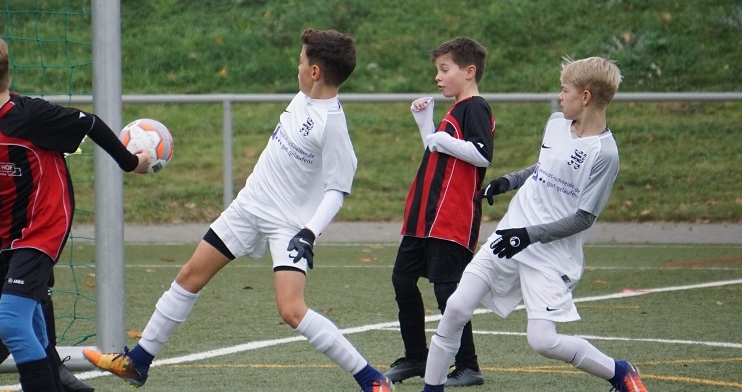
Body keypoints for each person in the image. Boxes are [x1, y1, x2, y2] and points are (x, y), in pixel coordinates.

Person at [83, 28, 393, 391]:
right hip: (248, 207)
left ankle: (372, 380)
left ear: (315, 72)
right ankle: (137, 362)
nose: (296, 66)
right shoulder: (303, 98)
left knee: (291, 310)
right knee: (189, 276)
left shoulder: (332, 125)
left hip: (288, 226)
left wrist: (309, 232)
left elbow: (337, 191)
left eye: (301, 61)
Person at [419, 56, 649, 392]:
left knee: (543, 340)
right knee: (456, 307)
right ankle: (432, 388)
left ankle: (620, 372)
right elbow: (543, 168)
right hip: (511, 233)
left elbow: (584, 218)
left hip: (550, 254)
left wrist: (527, 236)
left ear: (585, 97)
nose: (559, 96)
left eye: (565, 90)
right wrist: (508, 181)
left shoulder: (604, 154)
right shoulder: (556, 123)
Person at [0, 30, 149, 392]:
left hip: (41, 230)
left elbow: (90, 123)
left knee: (12, 324)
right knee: (32, 321)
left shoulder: (30, 115)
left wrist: (130, 162)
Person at [386, 37, 494, 388]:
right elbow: (439, 153)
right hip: (424, 216)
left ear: (469, 71)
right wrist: (425, 124)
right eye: (438, 70)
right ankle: (417, 356)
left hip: (450, 218)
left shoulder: (475, 107)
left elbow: (482, 154)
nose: (438, 76)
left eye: (445, 69)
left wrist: (442, 138)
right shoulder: (454, 110)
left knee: (448, 291)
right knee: (403, 280)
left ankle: (468, 365)